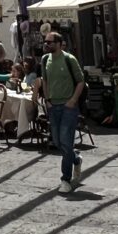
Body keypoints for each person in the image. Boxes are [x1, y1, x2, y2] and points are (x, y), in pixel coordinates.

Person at [41, 31, 85, 193]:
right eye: (45, 42)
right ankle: (76, 159)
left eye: (50, 42)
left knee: (66, 143)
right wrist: (47, 100)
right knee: (58, 142)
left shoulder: (69, 59)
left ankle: (65, 180)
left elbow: (81, 81)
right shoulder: (45, 59)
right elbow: (44, 80)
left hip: (68, 106)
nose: (46, 44)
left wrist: (72, 101)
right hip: (53, 105)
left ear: (59, 44)